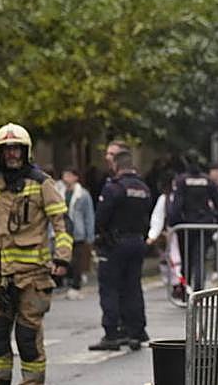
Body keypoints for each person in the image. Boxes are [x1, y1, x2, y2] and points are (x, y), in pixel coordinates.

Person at [0, 123, 72, 385]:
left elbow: (61, 223)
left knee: (27, 337)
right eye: (7, 150)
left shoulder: (42, 183)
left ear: (26, 152)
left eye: (17, 149)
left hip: (32, 277)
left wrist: (62, 257)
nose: (12, 154)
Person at [91, 150, 152, 351]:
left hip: (115, 244)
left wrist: (102, 237)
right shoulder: (143, 188)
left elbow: (100, 219)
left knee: (109, 288)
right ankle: (135, 331)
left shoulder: (113, 188)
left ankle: (112, 333)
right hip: (137, 242)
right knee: (133, 287)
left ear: (116, 166)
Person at [168, 156, 218, 293]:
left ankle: (186, 291)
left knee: (186, 259)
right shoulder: (208, 181)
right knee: (200, 259)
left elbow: (176, 206)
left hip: (186, 226)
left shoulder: (182, 181)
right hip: (204, 225)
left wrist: (174, 224)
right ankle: (199, 292)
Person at [57, 167, 95, 298]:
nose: (65, 178)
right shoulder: (58, 192)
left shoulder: (83, 194)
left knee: (77, 259)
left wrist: (90, 235)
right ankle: (64, 281)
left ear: (75, 177)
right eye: (64, 175)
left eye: (68, 175)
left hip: (77, 230)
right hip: (62, 229)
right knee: (63, 256)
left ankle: (76, 284)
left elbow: (89, 215)